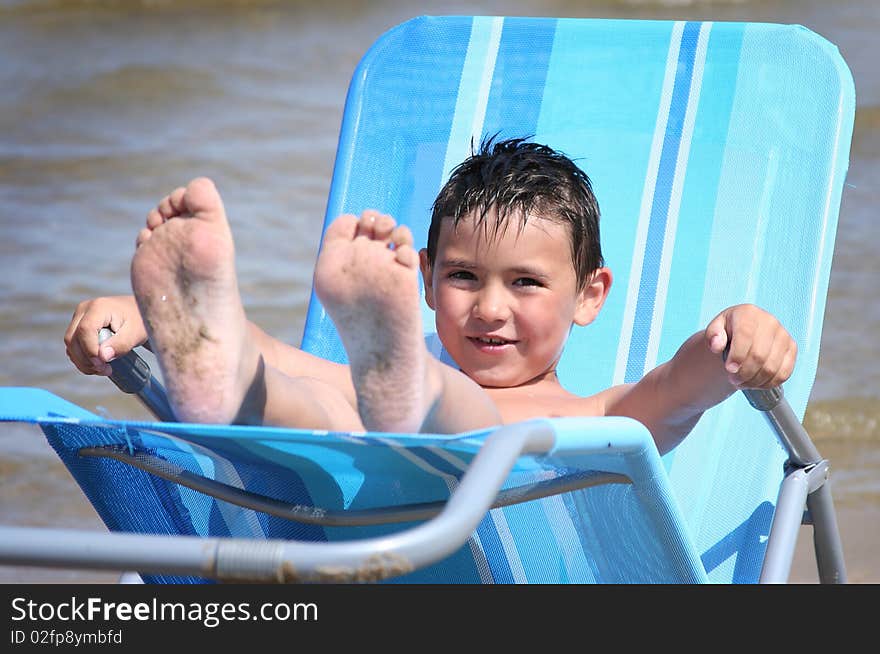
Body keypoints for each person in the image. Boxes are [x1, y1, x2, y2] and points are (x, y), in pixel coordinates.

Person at [64, 137, 797, 455]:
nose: (489, 308)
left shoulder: (599, 414)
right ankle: (221, 379)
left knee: (444, 413)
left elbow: (679, 387)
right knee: (313, 403)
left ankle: (413, 405)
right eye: (463, 277)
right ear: (424, 280)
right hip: (376, 477)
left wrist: (732, 336)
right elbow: (281, 354)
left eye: (526, 282)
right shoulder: (380, 380)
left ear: (589, 294)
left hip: (501, 537)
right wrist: (155, 326)